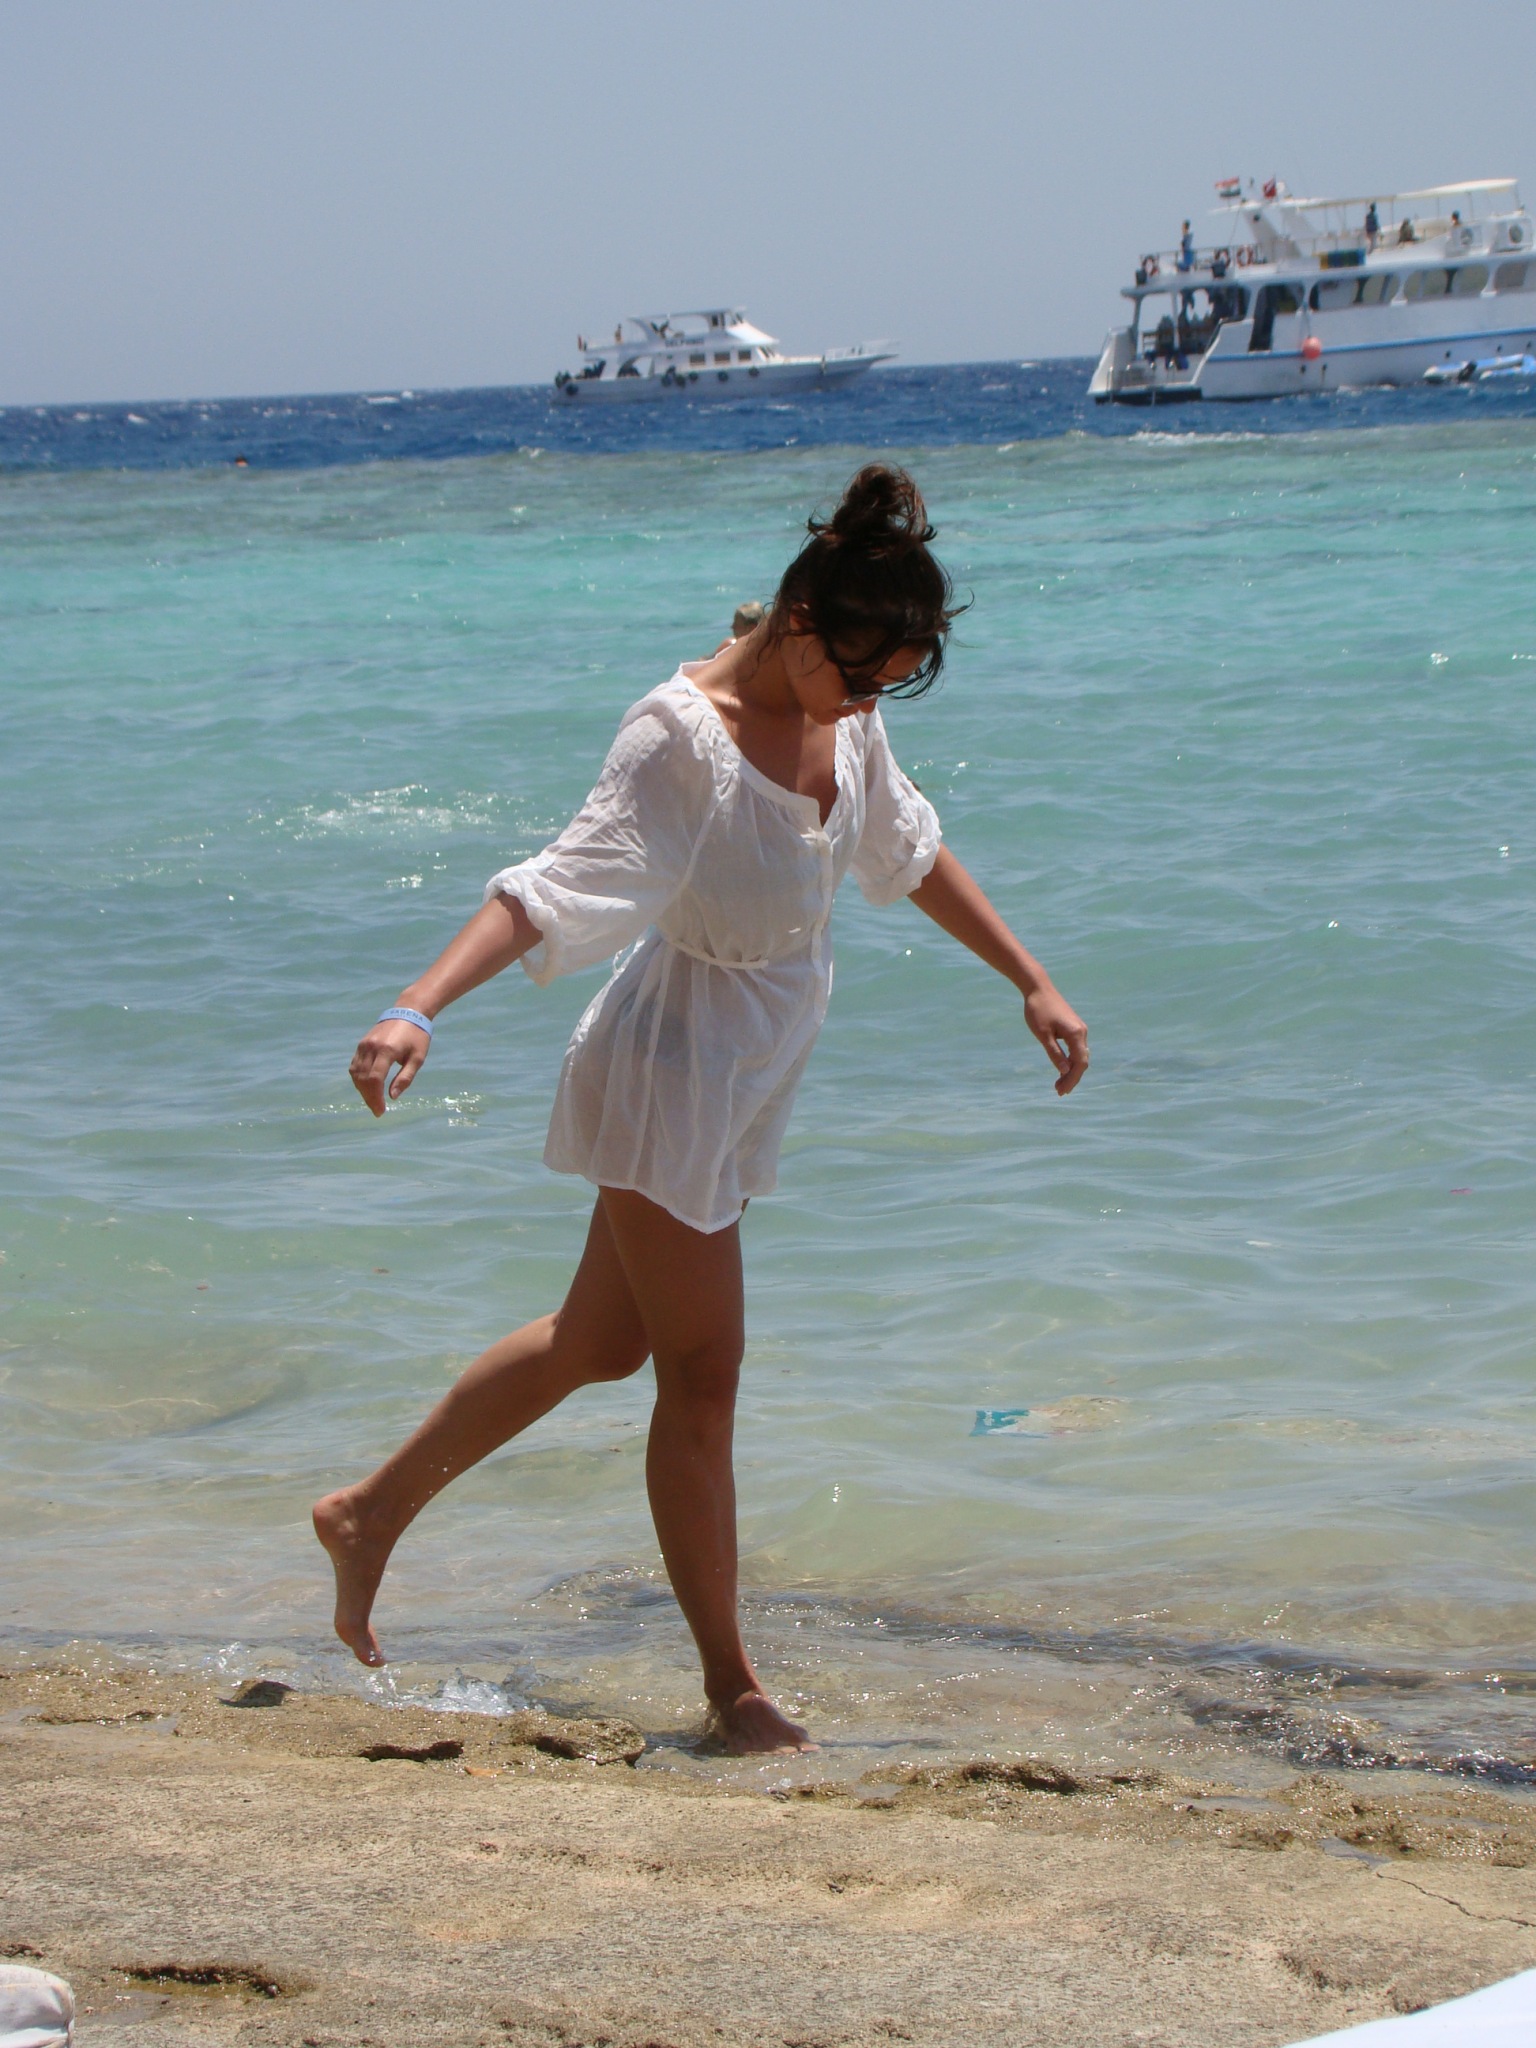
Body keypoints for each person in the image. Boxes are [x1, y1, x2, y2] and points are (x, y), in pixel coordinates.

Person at [314, 465, 1089, 1755]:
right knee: (704, 1372)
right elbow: (553, 886)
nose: (870, 702)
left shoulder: (845, 710)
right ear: (801, 626)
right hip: (669, 1072)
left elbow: (907, 849)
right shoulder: (679, 737)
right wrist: (417, 1006)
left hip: (745, 1074)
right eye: (862, 676)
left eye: (892, 685)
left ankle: (366, 1513)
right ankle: (734, 1690)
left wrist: (1031, 977)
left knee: (597, 1342)